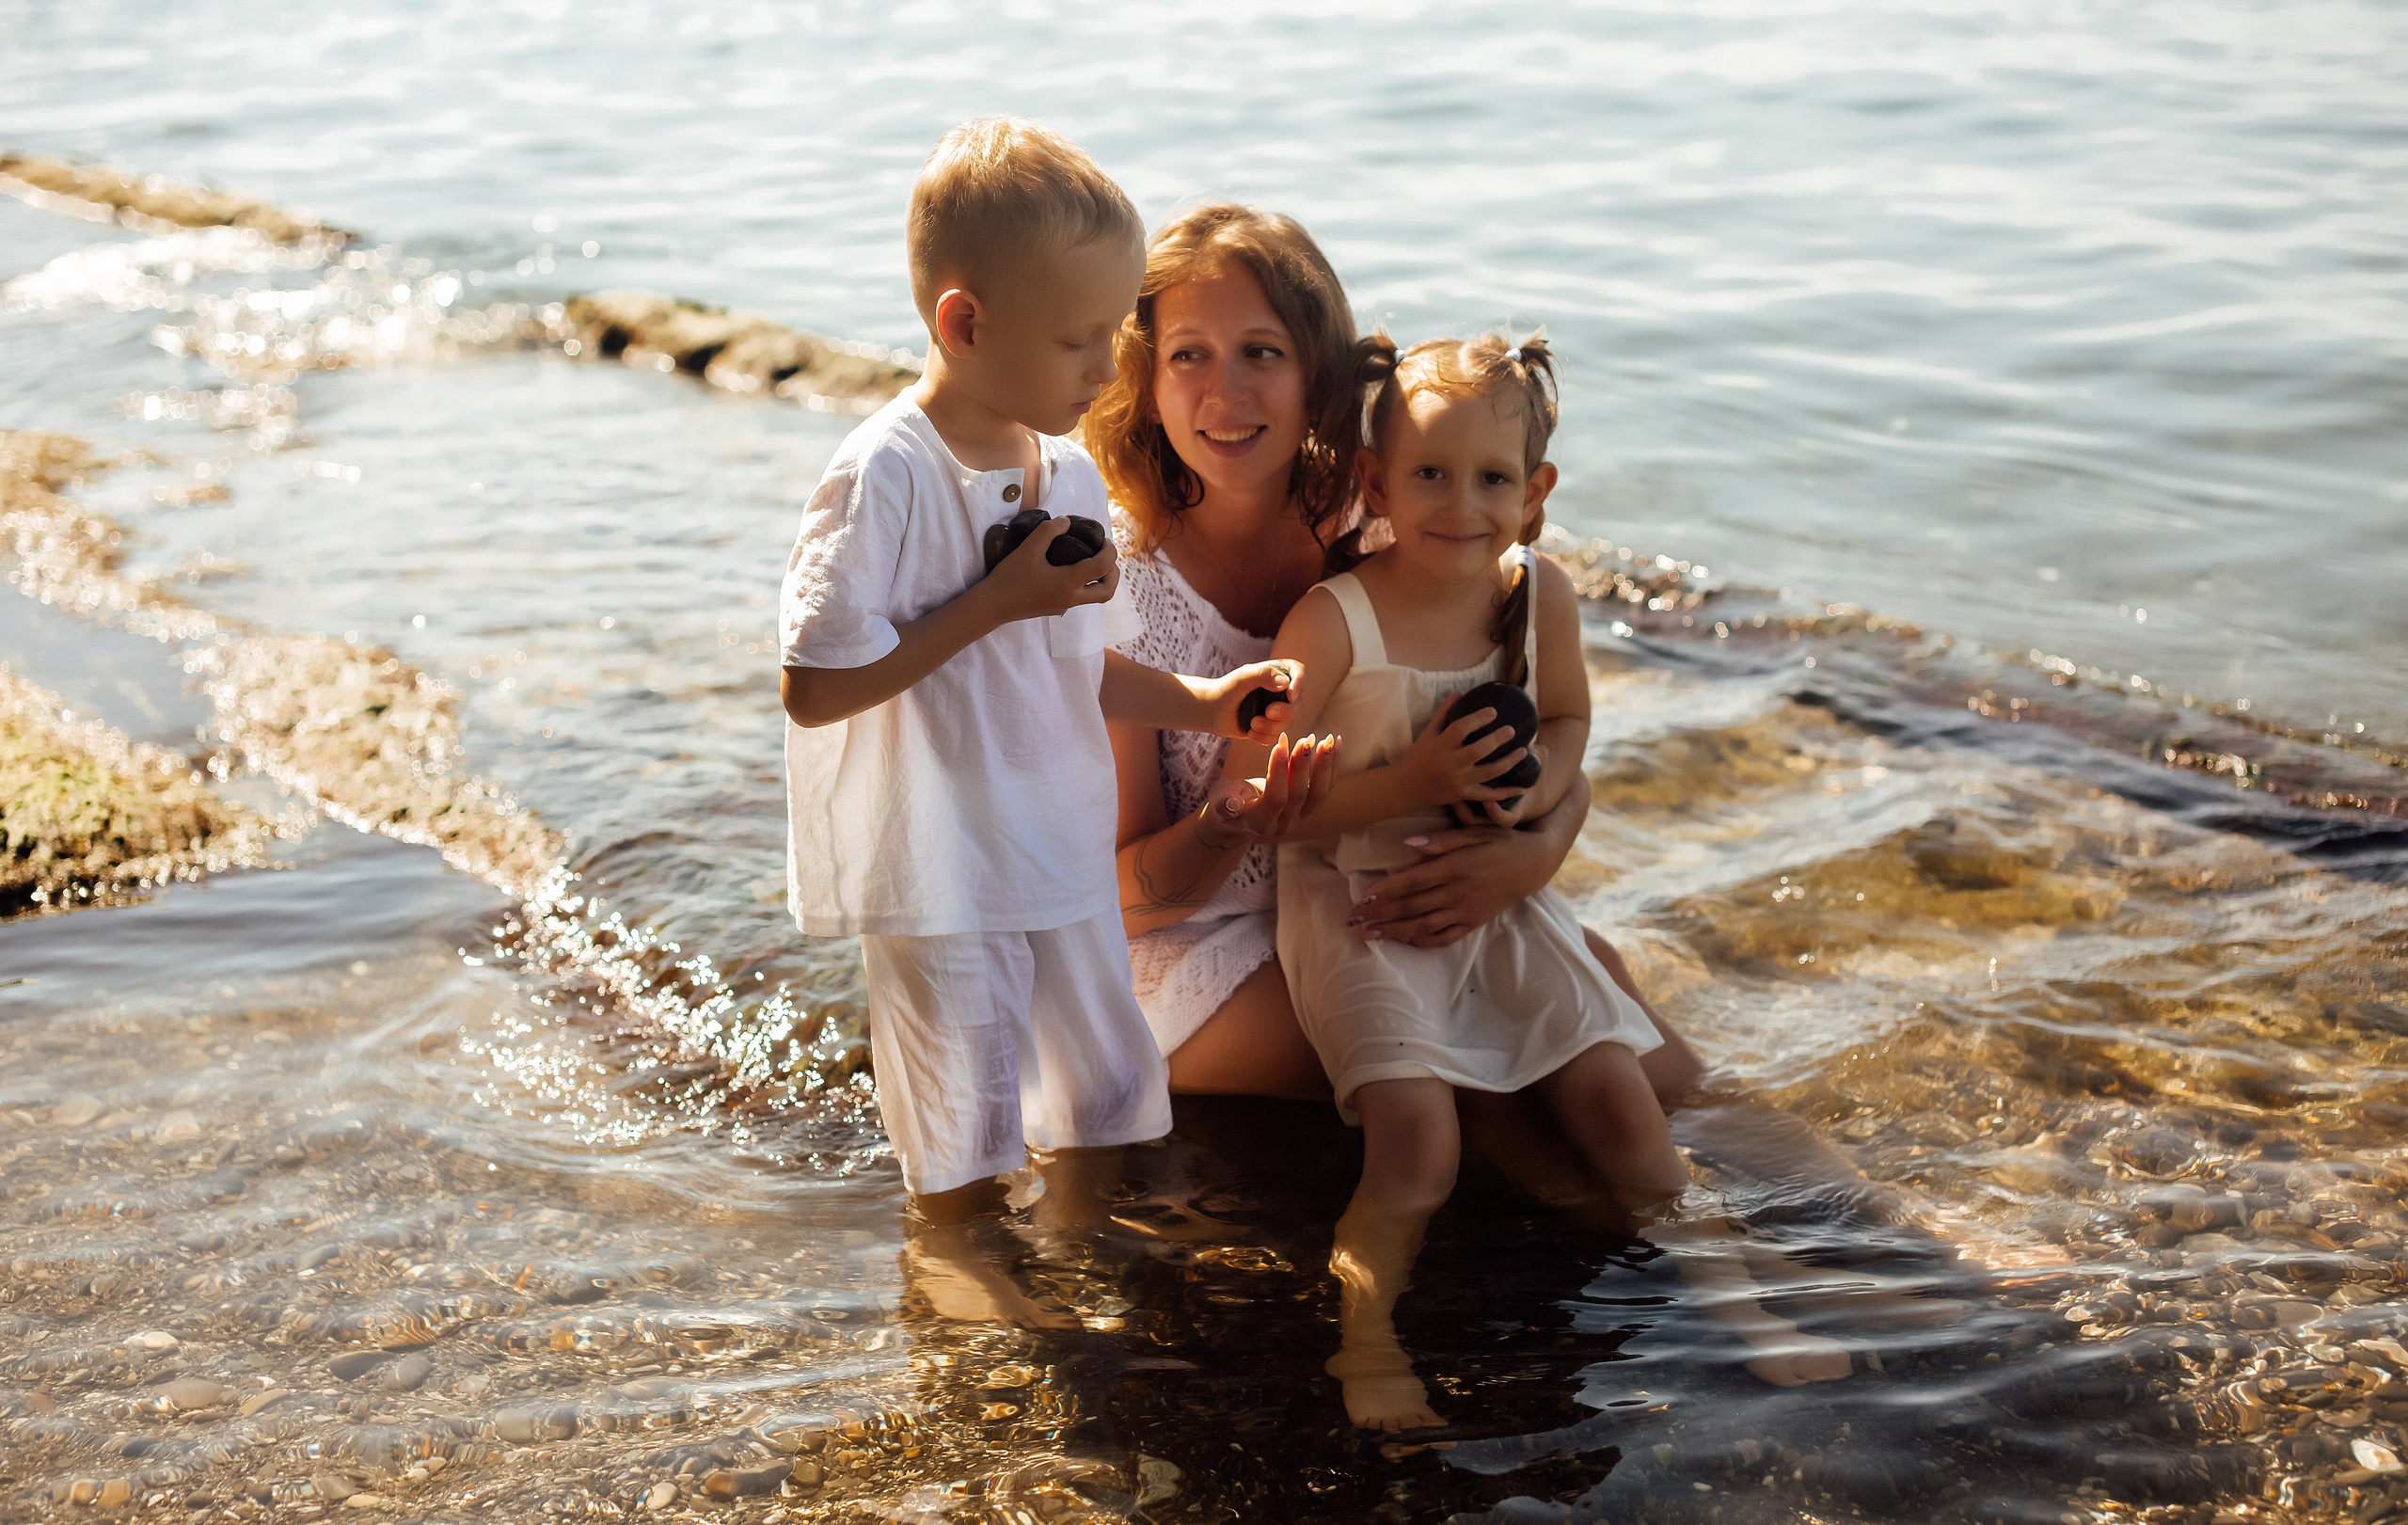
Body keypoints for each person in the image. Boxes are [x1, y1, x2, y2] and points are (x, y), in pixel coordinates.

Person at [776, 120, 1295, 1314]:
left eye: (1116, 332)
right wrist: (994, 599)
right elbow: (815, 684)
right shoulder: (885, 474)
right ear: (964, 324)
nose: (1109, 370)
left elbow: (1072, 670)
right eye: (1077, 339)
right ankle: (977, 1303)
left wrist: (1206, 705)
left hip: (1050, 845)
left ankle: (1081, 1261)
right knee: (962, 1123)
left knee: (1105, 1087)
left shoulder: (1063, 471)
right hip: (942, 863)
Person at [1091, 205, 1705, 1105]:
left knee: (1657, 1061)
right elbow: (1120, 898)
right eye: (1189, 354)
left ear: (1319, 378)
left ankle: (1846, 1238)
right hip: (1195, 943)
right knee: (1484, 1088)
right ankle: (1676, 1241)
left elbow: (1530, 739)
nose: (1226, 391)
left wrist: (1531, 859)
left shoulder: (1388, 524)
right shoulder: (1117, 591)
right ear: (1145, 378)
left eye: (1263, 351)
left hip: (1382, 890)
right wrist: (1234, 825)